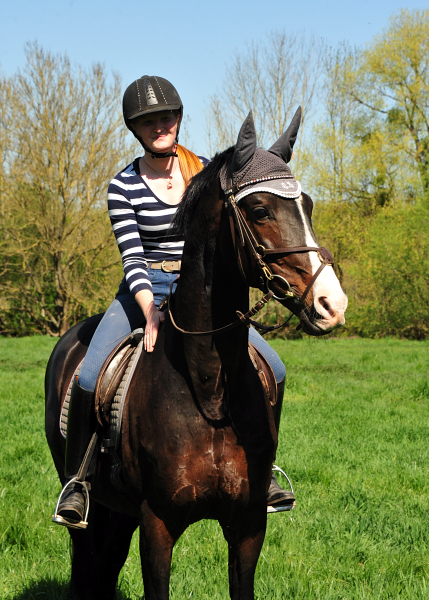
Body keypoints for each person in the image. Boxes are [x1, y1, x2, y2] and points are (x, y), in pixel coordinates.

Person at [53, 75, 294, 530]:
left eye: (165, 116)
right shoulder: (121, 186)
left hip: (202, 295)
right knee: (87, 375)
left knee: (275, 368)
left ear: (178, 118)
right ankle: (79, 483)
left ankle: (265, 473)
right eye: (148, 121)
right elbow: (132, 257)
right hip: (143, 290)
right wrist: (149, 310)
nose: (159, 125)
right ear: (135, 129)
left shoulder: (206, 172)